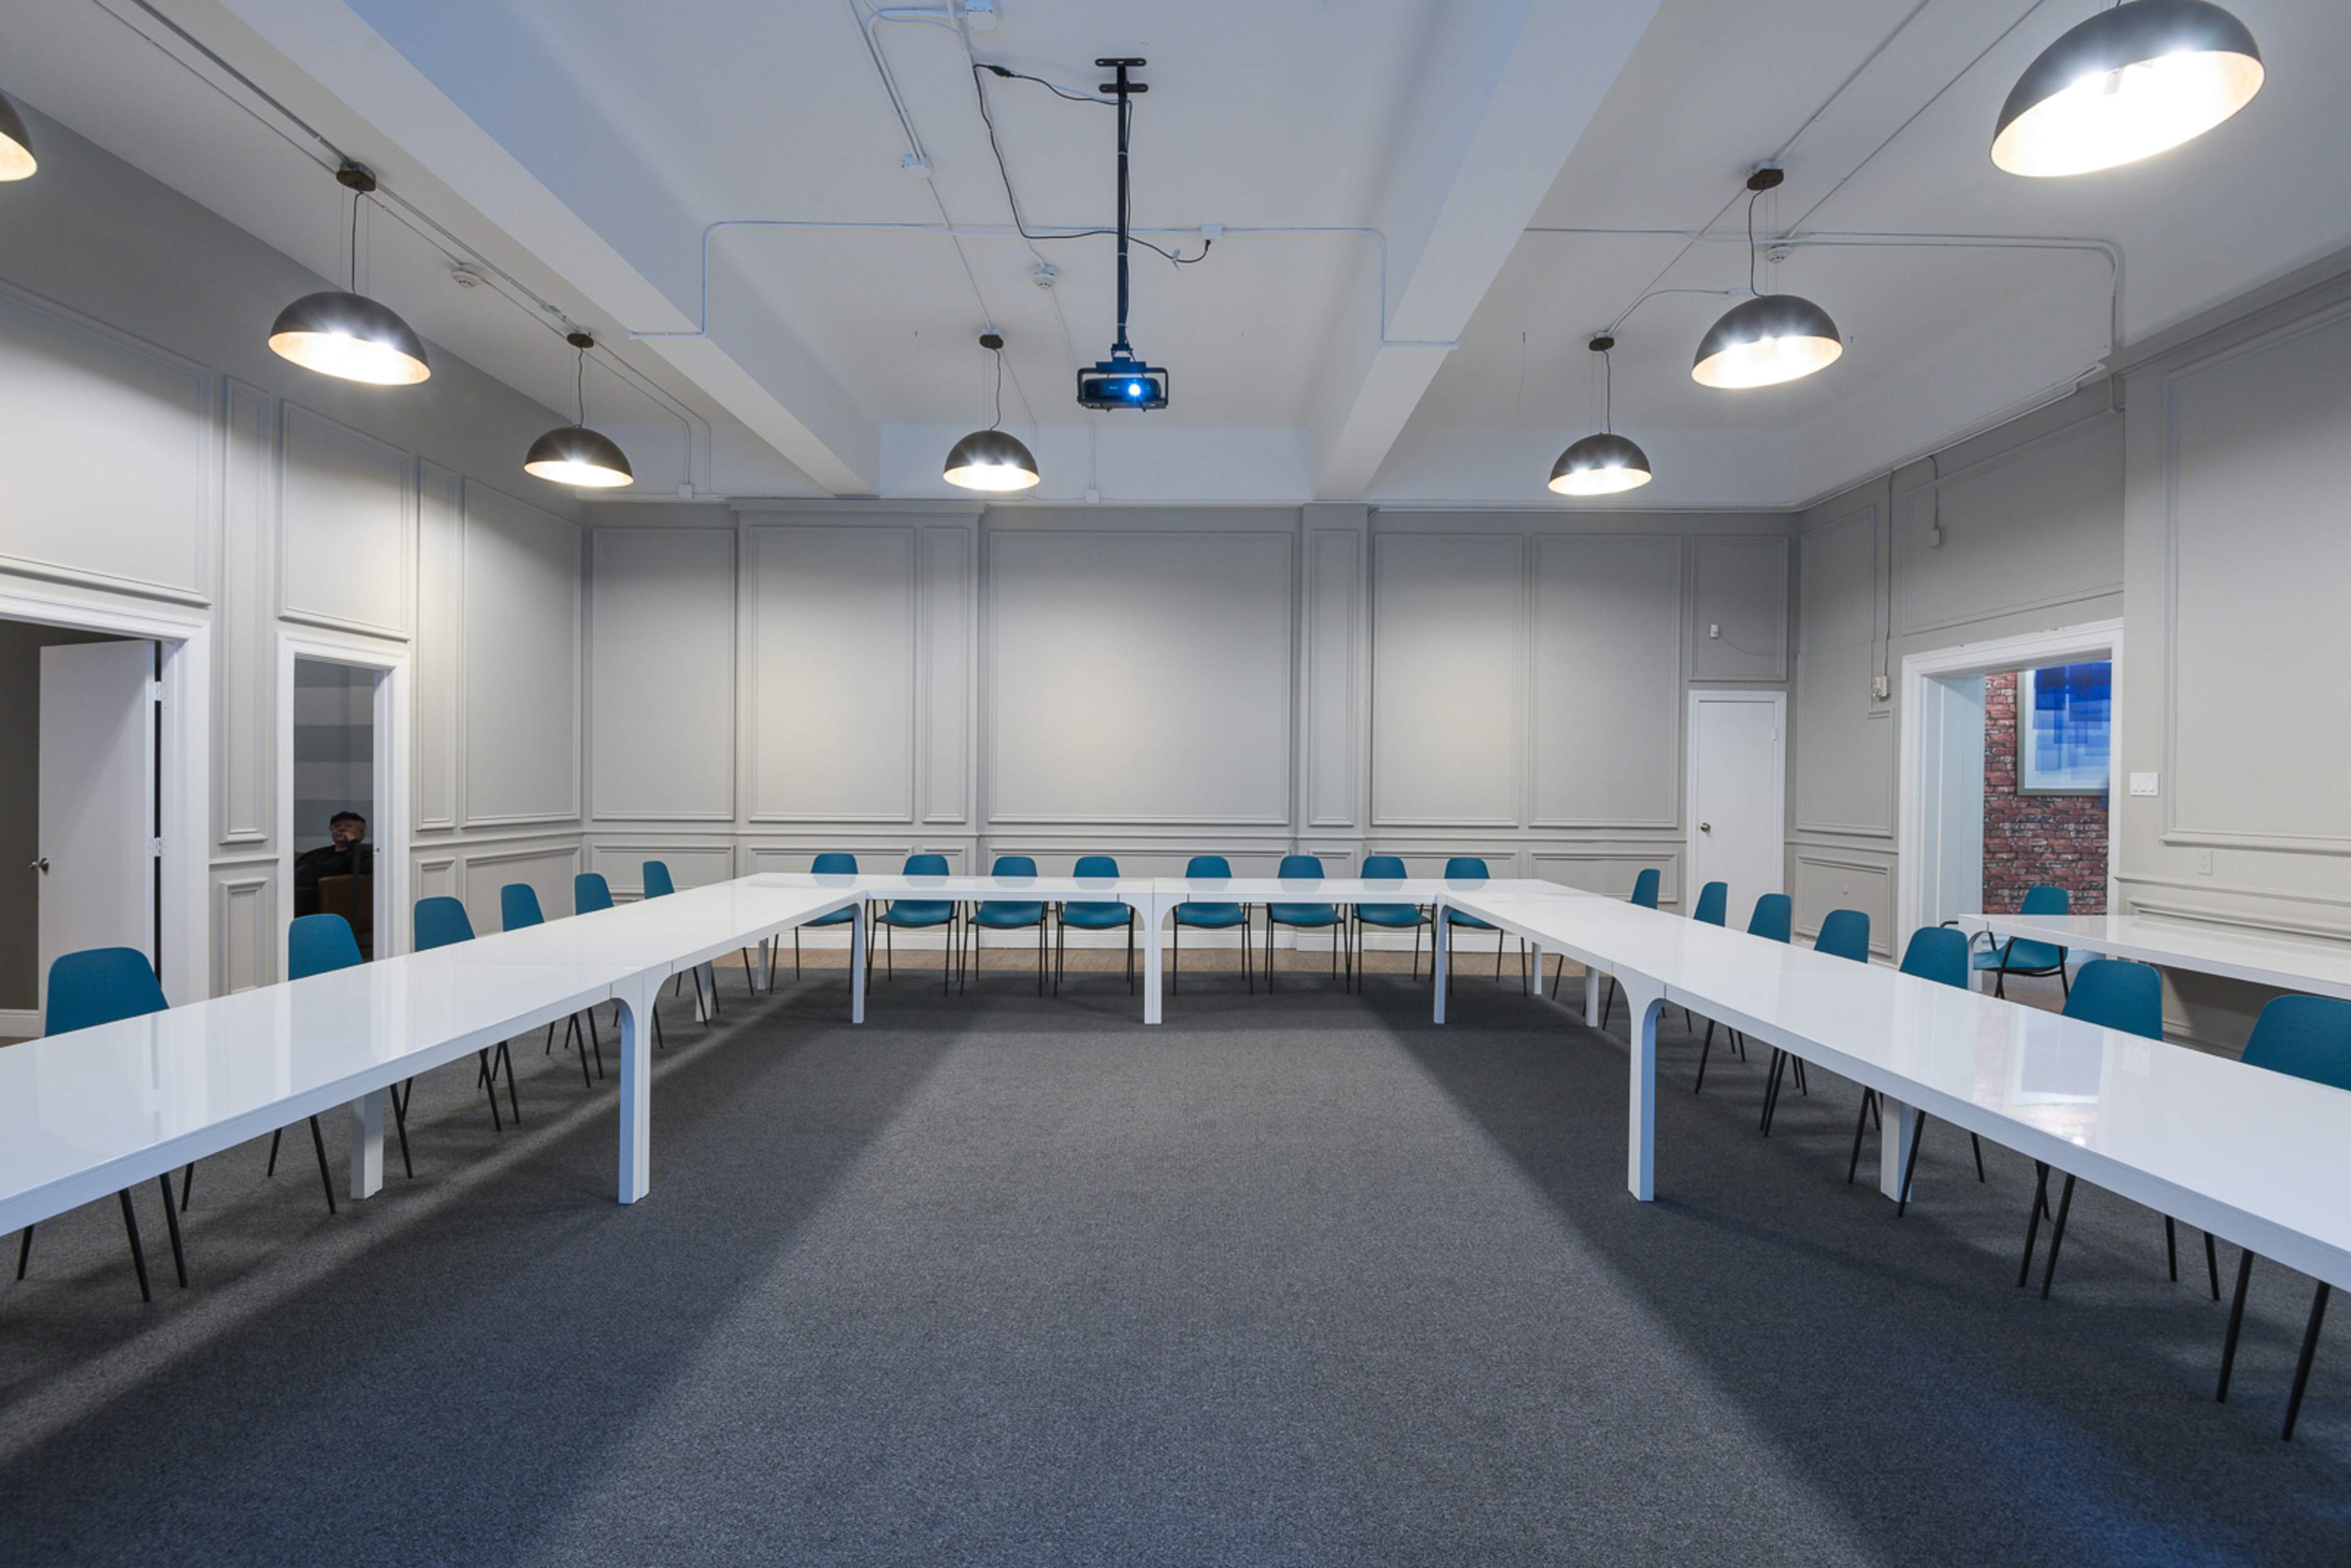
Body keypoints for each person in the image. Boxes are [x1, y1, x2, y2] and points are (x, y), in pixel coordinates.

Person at [293, 811, 373, 917]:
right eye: (337, 826)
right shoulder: (319, 853)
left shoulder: (363, 853)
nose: (341, 829)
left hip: (320, 893)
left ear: (361, 833)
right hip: (294, 885)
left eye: (348, 826)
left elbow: (363, 868)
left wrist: (353, 842)